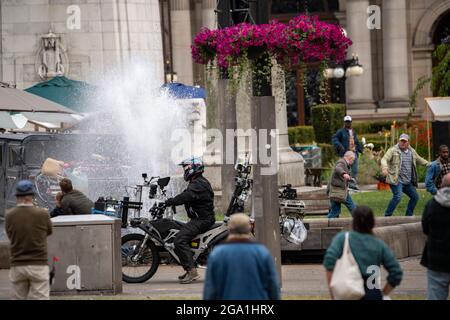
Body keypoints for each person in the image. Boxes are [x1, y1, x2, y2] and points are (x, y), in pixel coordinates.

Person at [323, 206, 403, 300]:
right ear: (372, 223)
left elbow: (329, 262)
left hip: (348, 290)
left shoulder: (343, 238)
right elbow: (396, 272)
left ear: (354, 222)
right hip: (372, 290)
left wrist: (333, 292)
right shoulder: (378, 244)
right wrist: (384, 293)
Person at [203, 213, 280, 300]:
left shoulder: (218, 254)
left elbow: (211, 289)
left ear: (229, 228)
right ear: (249, 228)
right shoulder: (262, 253)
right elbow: (273, 285)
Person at [165, 157, 215, 284]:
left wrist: (170, 202)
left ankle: (192, 271)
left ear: (192, 168)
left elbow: (185, 196)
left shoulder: (198, 184)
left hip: (202, 220)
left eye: (185, 168)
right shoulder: (197, 182)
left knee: (180, 240)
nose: (184, 170)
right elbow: (186, 195)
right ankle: (189, 268)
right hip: (200, 218)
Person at [4, 180, 53, 300]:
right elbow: (49, 232)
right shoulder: (42, 214)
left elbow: (10, 235)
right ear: (32, 196)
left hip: (18, 264)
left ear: (17, 196)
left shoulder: (9, 215)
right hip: (38, 263)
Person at [381, 133, 429, 216]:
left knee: (415, 197)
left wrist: (430, 164)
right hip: (396, 180)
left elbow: (420, 159)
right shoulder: (393, 150)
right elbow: (384, 159)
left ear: (408, 143)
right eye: (401, 141)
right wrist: (384, 168)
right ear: (399, 141)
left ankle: (408, 216)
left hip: (408, 181)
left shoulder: (412, 151)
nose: (402, 143)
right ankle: (387, 216)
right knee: (398, 197)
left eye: (404, 141)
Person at [421, 173, 450, 300]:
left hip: (436, 258)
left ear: (441, 185)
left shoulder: (432, 205)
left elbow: (425, 228)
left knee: (435, 295)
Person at [332, 115, 363, 188]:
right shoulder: (340, 132)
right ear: (344, 122)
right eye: (346, 122)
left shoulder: (353, 132)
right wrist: (340, 146)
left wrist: (360, 149)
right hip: (345, 154)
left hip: (354, 153)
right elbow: (334, 139)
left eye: (349, 122)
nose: (348, 123)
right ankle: (345, 184)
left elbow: (356, 142)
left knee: (355, 170)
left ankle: (352, 184)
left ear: (351, 122)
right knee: (345, 169)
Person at [327, 151, 357, 219]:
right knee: (352, 207)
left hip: (336, 191)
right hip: (339, 191)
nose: (353, 162)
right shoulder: (342, 162)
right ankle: (359, 221)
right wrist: (344, 174)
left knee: (335, 211)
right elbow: (338, 168)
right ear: (350, 158)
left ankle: (325, 224)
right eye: (353, 160)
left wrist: (349, 178)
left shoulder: (344, 163)